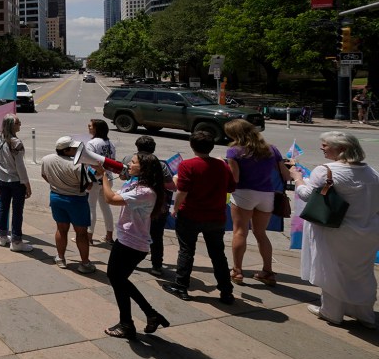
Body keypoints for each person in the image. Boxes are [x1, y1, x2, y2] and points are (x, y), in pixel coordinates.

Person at [291, 131, 379, 327]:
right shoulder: (372, 172)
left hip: (335, 230)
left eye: (325, 145)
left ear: (341, 149)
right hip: (368, 231)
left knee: (330, 269)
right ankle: (364, 314)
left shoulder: (325, 170)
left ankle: (332, 312)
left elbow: (306, 195)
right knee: (361, 272)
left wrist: (297, 178)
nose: (322, 148)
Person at [97, 152, 170, 338]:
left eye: (133, 162)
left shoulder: (145, 192)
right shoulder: (137, 184)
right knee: (119, 280)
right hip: (127, 239)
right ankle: (149, 315)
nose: (129, 164)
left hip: (132, 244)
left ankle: (128, 324)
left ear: (144, 168)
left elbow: (110, 199)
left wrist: (104, 176)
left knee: (117, 279)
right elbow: (117, 193)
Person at [164, 131, 236, 304]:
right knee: (218, 254)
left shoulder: (187, 165)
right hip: (216, 216)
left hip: (191, 214)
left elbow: (182, 192)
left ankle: (181, 286)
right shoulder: (222, 166)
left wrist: (175, 208)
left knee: (186, 250)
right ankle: (226, 291)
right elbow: (231, 188)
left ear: (192, 145)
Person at [224, 119, 291, 287]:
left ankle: (237, 271)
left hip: (244, 194)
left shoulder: (234, 151)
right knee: (261, 233)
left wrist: (223, 165)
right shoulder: (271, 149)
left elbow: (235, 178)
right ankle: (267, 271)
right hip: (266, 194)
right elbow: (285, 175)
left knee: (240, 232)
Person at [120, 136, 176, 276]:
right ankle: (156, 265)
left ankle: (128, 261)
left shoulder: (128, 159)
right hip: (156, 206)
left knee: (131, 233)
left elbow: (122, 176)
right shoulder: (159, 164)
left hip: (133, 205)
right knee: (157, 237)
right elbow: (171, 186)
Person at [41, 136, 96, 273]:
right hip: (76, 201)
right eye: (73, 148)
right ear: (66, 151)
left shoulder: (46, 159)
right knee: (81, 233)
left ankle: (60, 258)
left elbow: (44, 175)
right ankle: (85, 263)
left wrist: (57, 185)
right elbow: (88, 187)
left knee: (61, 229)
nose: (76, 149)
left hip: (56, 198)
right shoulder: (78, 166)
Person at [0, 113, 32, 251]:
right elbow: (20, 167)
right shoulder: (17, 143)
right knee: (17, 211)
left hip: (2, 178)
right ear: (11, 125)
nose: (20, 124)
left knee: (3, 206)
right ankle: (16, 241)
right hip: (16, 181)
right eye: (18, 122)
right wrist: (27, 184)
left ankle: (2, 237)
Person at [86, 119, 117, 244]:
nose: (88, 127)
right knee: (105, 207)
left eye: (90, 125)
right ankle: (109, 236)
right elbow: (112, 162)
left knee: (90, 207)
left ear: (96, 129)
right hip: (107, 179)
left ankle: (88, 237)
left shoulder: (92, 143)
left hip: (94, 179)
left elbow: (88, 162)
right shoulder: (110, 143)